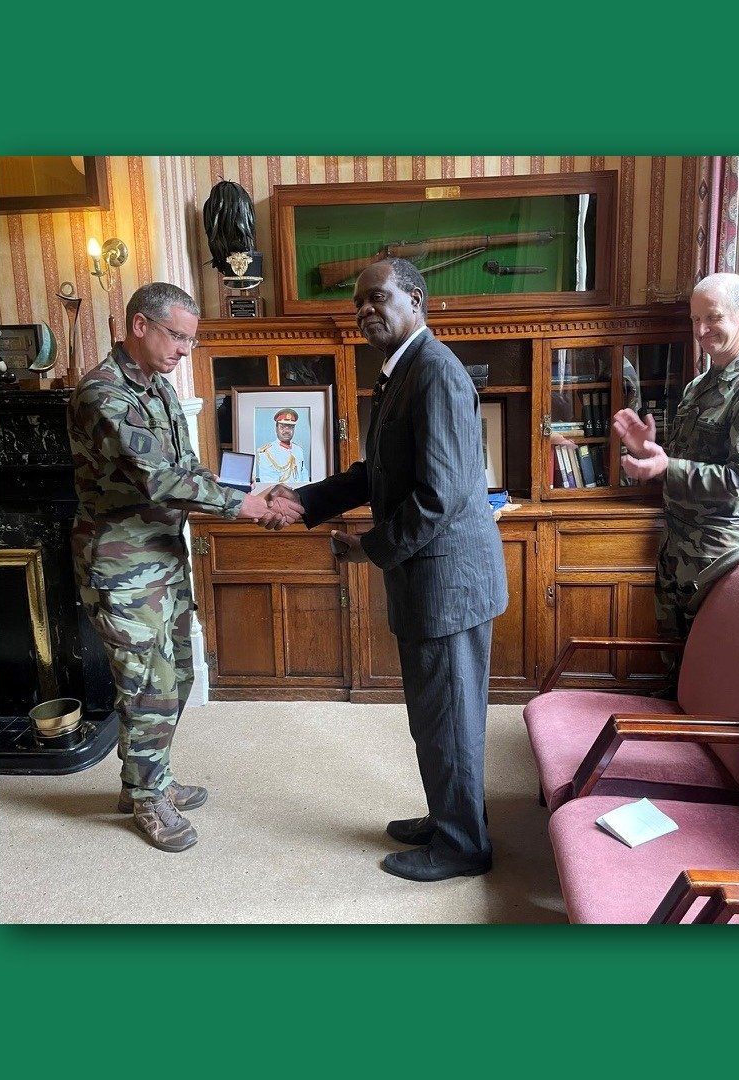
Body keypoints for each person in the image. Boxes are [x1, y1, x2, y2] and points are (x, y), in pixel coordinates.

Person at [269, 258, 507, 882]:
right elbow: (378, 474)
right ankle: (454, 818)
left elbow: (441, 495)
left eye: (378, 297)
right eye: (358, 304)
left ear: (417, 299)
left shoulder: (435, 374)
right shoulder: (403, 373)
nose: (365, 310)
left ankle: (462, 846)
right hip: (434, 578)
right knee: (440, 714)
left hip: (447, 582)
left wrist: (368, 547)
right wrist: (307, 501)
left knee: (448, 714)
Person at [67, 282, 301, 852]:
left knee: (178, 676)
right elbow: (157, 478)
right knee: (147, 685)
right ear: (140, 325)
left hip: (163, 556)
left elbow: (189, 468)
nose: (183, 351)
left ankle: (145, 780)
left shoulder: (161, 391)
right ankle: (148, 800)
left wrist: (251, 490)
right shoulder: (103, 394)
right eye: (177, 336)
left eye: (191, 341)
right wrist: (245, 505)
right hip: (123, 567)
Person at [612, 271, 739, 639]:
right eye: (695, 319)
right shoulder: (699, 386)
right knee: (675, 670)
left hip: (717, 557)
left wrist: (667, 467)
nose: (700, 331)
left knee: (713, 676)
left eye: (712, 317)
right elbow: (686, 461)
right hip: (676, 550)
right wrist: (649, 450)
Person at [254, 407, 306, 485]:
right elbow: (268, 484)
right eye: (282, 427)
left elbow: (304, 475)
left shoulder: (299, 450)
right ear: (276, 429)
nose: (287, 431)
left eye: (291, 427)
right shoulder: (266, 452)